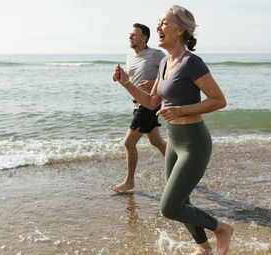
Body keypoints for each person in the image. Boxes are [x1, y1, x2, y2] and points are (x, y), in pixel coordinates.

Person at [112, 5, 234, 255]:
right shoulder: (164, 63)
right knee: (182, 201)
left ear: (179, 30)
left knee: (169, 207)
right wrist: (126, 83)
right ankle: (203, 248)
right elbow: (150, 102)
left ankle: (221, 228)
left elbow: (218, 100)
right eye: (158, 23)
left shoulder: (192, 62)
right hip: (174, 142)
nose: (158, 27)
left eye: (163, 23)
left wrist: (182, 110)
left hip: (194, 144)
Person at [110, 23, 167, 193]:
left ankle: (129, 182)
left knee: (128, 143)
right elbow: (131, 78)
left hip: (149, 104)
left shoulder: (156, 55)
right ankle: (180, 168)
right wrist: (119, 77)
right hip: (137, 103)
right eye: (130, 34)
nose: (130, 37)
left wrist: (153, 82)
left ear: (144, 38)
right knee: (156, 141)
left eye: (134, 35)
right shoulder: (130, 55)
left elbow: (170, 72)